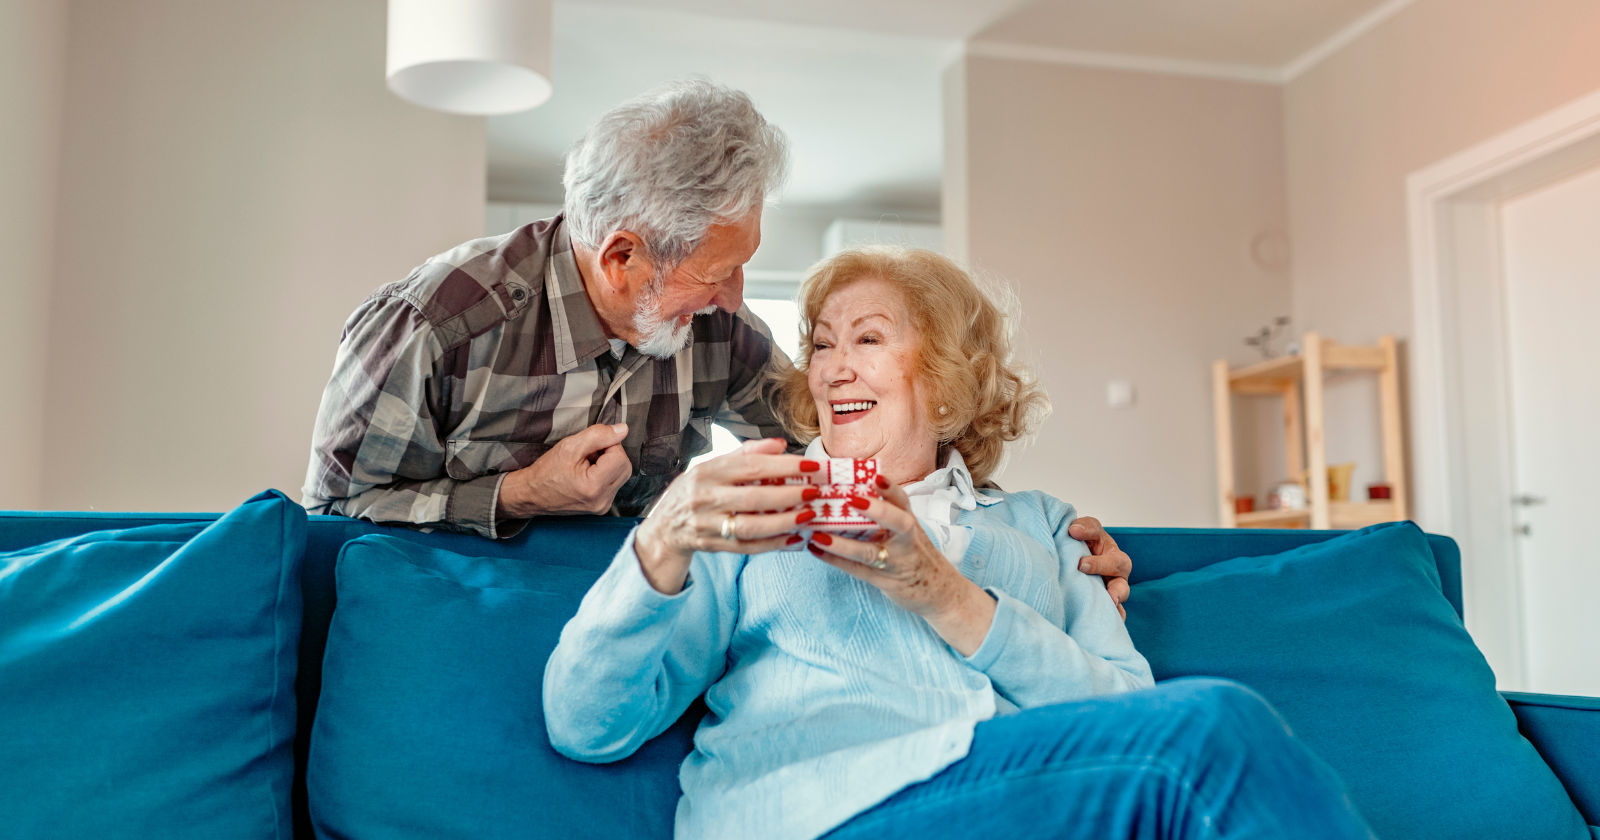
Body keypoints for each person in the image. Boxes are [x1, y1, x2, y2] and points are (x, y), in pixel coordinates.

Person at [543, 247, 1373, 840]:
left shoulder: (1043, 527)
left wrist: (946, 594)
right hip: (823, 813)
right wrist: (659, 541)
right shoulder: (747, 512)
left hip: (1023, 798)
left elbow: (1129, 711)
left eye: (867, 339)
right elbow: (587, 725)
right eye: (822, 343)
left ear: (944, 380)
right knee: (1215, 728)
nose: (832, 367)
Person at [299, 79, 1132, 615]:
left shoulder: (718, 334)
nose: (737, 302)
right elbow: (330, 520)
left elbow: (863, 422)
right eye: (720, 274)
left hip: (647, 602)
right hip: (454, 611)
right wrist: (515, 493)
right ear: (623, 257)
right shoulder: (436, 325)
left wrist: (1036, 542)